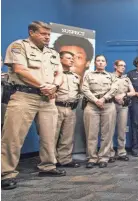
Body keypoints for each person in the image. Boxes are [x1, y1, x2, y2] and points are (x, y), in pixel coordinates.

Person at [2, 21, 65, 190]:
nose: (47, 37)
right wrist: (43, 86)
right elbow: (20, 69)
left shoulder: (52, 53)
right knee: (13, 136)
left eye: (48, 34)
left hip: (48, 98)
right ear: (31, 32)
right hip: (24, 96)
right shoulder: (18, 46)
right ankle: (6, 173)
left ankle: (48, 166)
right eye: (43, 34)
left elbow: (59, 73)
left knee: (49, 135)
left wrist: (55, 86)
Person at [81, 55, 118, 168]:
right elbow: (84, 89)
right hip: (92, 106)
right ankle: (92, 158)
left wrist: (103, 99)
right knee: (91, 133)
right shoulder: (88, 75)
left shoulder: (111, 76)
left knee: (107, 133)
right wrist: (96, 100)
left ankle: (103, 157)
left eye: (103, 61)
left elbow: (114, 88)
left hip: (108, 105)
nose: (100, 63)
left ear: (106, 63)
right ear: (95, 63)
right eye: (98, 61)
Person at [54, 51, 81, 168]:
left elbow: (79, 92)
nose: (71, 60)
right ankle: (51, 161)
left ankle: (65, 159)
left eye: (72, 58)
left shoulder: (76, 76)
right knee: (52, 136)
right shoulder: (54, 75)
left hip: (70, 108)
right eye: (68, 58)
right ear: (60, 59)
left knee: (67, 136)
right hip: (56, 107)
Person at [109, 60, 136, 162]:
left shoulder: (127, 79)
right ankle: (110, 153)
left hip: (123, 106)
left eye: (124, 66)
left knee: (122, 130)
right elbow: (106, 90)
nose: (123, 67)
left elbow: (133, 92)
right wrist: (115, 96)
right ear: (115, 66)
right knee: (109, 130)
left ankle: (121, 152)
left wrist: (124, 95)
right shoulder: (109, 77)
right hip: (111, 105)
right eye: (121, 65)